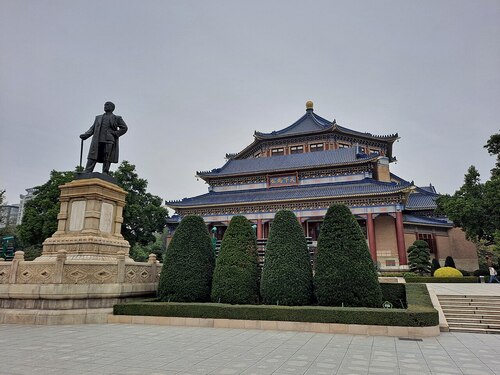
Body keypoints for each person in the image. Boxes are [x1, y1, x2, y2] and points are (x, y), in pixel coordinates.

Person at [80, 101, 128, 174]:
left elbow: (124, 128)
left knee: (107, 156)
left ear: (112, 108)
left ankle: (105, 172)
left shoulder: (117, 118)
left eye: (107, 105)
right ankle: (88, 170)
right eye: (105, 105)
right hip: (97, 139)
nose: (105, 106)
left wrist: (115, 133)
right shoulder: (98, 117)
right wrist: (86, 135)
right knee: (93, 154)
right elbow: (93, 128)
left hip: (109, 139)